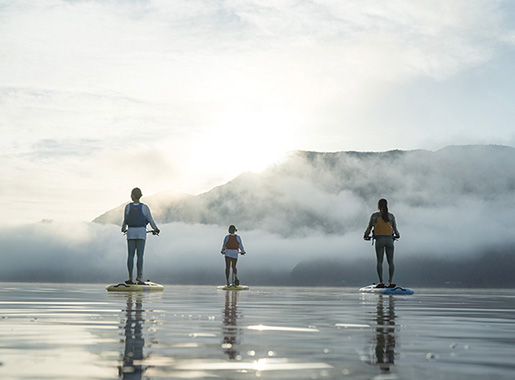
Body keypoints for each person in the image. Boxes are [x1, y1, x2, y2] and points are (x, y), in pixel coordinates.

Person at [121, 187, 160, 285]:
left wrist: (123, 229)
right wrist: (156, 229)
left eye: (131, 194)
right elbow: (151, 220)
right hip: (141, 233)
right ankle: (139, 277)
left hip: (131, 232)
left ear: (133, 196)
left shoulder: (128, 207)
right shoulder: (145, 207)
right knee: (140, 256)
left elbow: (125, 220)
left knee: (130, 255)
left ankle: (130, 278)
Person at [364, 199, 400, 288]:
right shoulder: (391, 216)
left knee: (379, 261)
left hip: (379, 241)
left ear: (378, 206)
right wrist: (397, 236)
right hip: (390, 241)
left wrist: (366, 236)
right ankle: (390, 282)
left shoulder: (374, 216)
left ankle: (381, 282)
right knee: (390, 262)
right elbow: (396, 231)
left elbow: (369, 228)